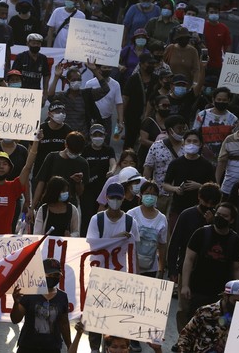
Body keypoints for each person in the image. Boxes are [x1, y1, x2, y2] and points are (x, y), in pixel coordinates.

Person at [86, 182, 139, 352]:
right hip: (99, 275)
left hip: (120, 276)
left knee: (115, 320)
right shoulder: (97, 220)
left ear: (123, 198)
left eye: (118, 197)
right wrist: (117, 237)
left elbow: (133, 251)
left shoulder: (130, 222)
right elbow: (94, 246)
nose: (115, 200)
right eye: (112, 197)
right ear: (106, 198)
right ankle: (95, 349)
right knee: (95, 317)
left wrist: (135, 277)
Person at [168, 182, 222, 337]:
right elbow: (175, 242)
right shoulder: (187, 214)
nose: (208, 206)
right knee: (183, 309)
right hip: (186, 269)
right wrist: (172, 268)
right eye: (206, 202)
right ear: (199, 197)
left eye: (213, 204)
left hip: (207, 271)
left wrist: (212, 223)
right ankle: (182, 338)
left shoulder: (219, 218)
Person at [180, 202, 239, 317]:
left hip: (220, 295)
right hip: (197, 290)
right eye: (218, 214)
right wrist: (185, 285)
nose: (220, 218)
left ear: (231, 220)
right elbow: (189, 260)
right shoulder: (200, 233)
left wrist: (237, 294)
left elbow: (237, 269)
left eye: (224, 216)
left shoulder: (236, 241)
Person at [11, 258, 72, 353]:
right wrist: (16, 303)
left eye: (56, 275)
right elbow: (15, 319)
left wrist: (69, 345)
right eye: (50, 274)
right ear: (41, 274)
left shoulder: (62, 297)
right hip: (28, 348)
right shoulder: (29, 293)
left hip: (52, 348)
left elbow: (64, 323)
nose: (53, 277)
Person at [178, 280, 239, 353]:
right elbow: (186, 335)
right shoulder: (205, 312)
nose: (238, 305)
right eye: (235, 301)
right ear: (225, 296)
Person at [32, 131, 89, 211]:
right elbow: (41, 183)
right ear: (65, 144)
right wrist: (32, 207)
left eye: (76, 153)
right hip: (49, 204)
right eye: (71, 151)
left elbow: (80, 193)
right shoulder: (52, 158)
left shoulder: (83, 163)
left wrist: (78, 182)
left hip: (69, 206)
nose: (73, 154)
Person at [143, 115, 186, 214]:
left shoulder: (188, 147)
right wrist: (146, 189)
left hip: (180, 196)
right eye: (179, 128)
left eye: (184, 128)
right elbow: (148, 168)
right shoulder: (156, 146)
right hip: (159, 194)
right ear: (170, 130)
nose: (182, 131)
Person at [80, 123, 116, 234]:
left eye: (100, 134)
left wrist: (112, 171)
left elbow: (113, 162)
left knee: (102, 216)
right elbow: (81, 165)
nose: (97, 137)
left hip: (103, 189)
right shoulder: (85, 150)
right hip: (88, 189)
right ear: (90, 136)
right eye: (95, 134)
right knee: (87, 216)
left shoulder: (108, 150)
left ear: (104, 136)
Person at [128, 181, 167, 277]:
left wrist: (161, 269)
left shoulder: (162, 219)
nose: (150, 196)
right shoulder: (131, 214)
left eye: (153, 194)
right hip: (131, 266)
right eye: (147, 193)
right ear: (141, 195)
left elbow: (162, 245)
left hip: (151, 268)